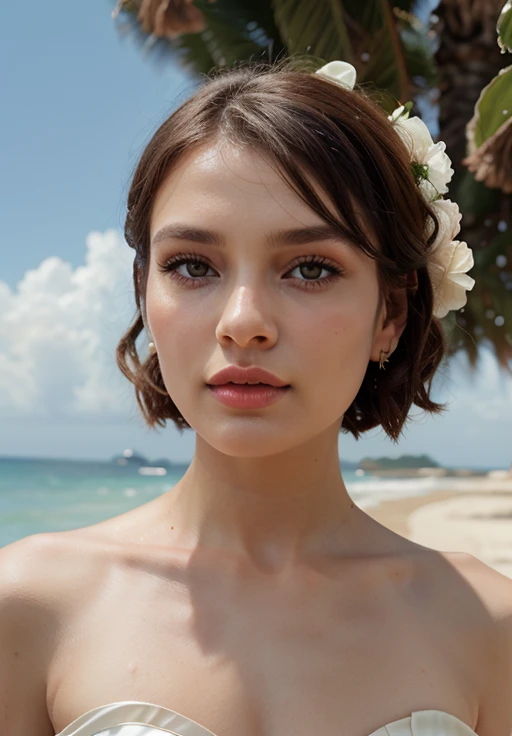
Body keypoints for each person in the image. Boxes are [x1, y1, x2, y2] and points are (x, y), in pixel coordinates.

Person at [1, 58, 511, 736]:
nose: (243, 320)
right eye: (192, 266)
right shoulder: (29, 605)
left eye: (310, 268)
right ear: (143, 296)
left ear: (389, 314)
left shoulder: (487, 626)